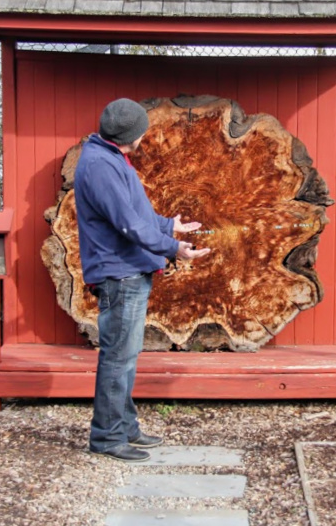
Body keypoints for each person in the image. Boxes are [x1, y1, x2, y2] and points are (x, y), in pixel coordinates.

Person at [74, 98, 211, 463]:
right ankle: (107, 437)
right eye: (142, 132)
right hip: (120, 274)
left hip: (128, 270)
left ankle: (125, 426)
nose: (144, 136)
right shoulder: (100, 165)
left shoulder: (110, 157)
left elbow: (134, 210)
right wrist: (172, 247)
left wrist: (169, 225)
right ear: (132, 136)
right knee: (118, 357)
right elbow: (128, 224)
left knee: (127, 355)